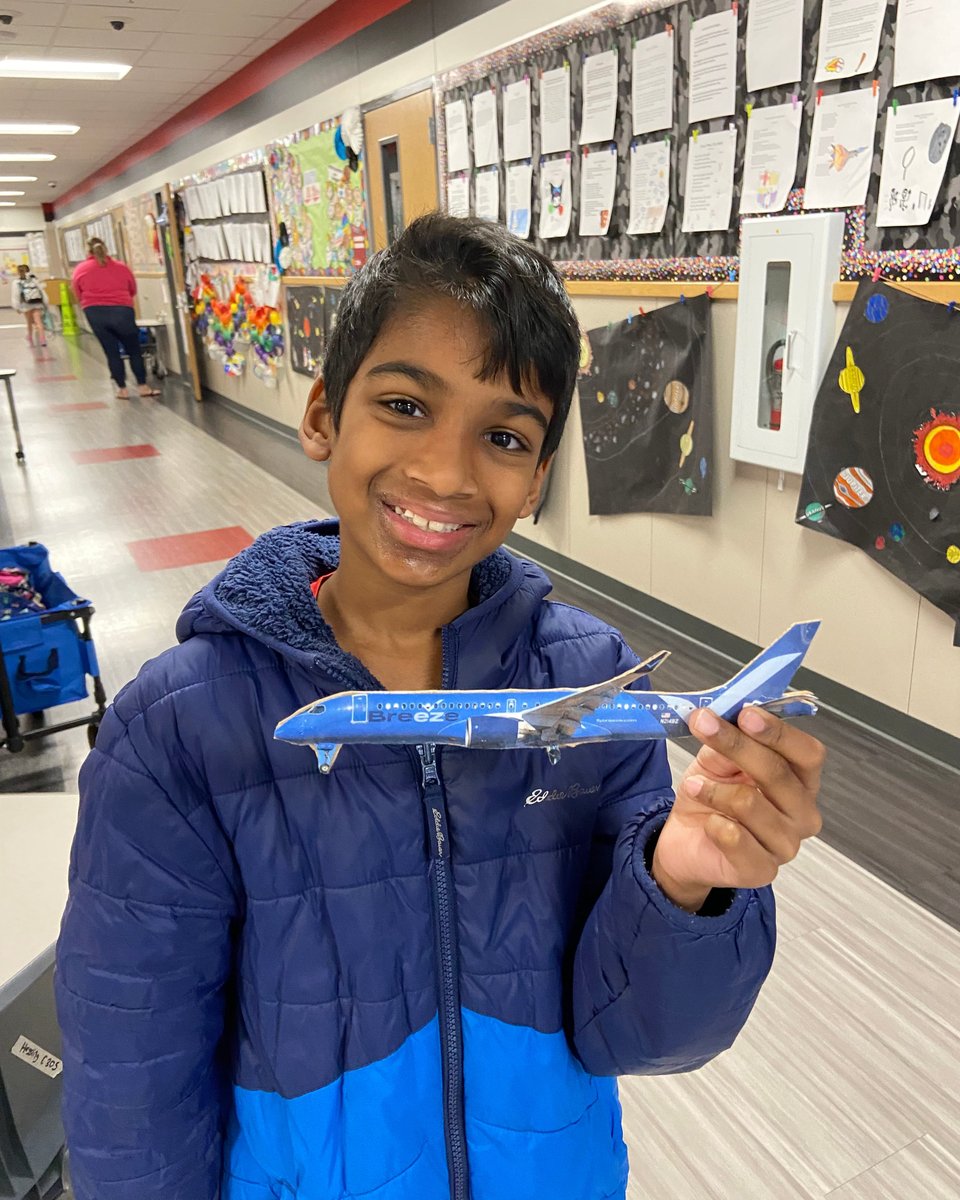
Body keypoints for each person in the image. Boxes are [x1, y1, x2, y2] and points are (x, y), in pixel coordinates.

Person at [55, 215, 825, 1200]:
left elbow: (640, 1035)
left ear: (539, 477)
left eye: (504, 436)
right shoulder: (173, 732)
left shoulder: (593, 677)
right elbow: (131, 1086)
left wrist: (690, 886)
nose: (446, 474)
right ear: (324, 413)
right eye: (405, 405)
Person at [70, 237, 160, 399]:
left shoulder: (80, 269)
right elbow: (132, 289)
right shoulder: (121, 267)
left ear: (88, 251)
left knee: (111, 352)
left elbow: (77, 293)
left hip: (94, 312)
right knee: (133, 350)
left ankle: (122, 389)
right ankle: (143, 387)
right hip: (122, 311)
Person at [12, 263, 47, 347]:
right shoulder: (34, 279)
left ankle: (30, 337)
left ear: (18, 272)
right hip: (37, 303)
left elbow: (15, 296)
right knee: (38, 321)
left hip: (26, 304)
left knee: (29, 321)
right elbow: (42, 290)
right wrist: (45, 303)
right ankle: (43, 339)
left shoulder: (16, 282)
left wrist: (16, 307)